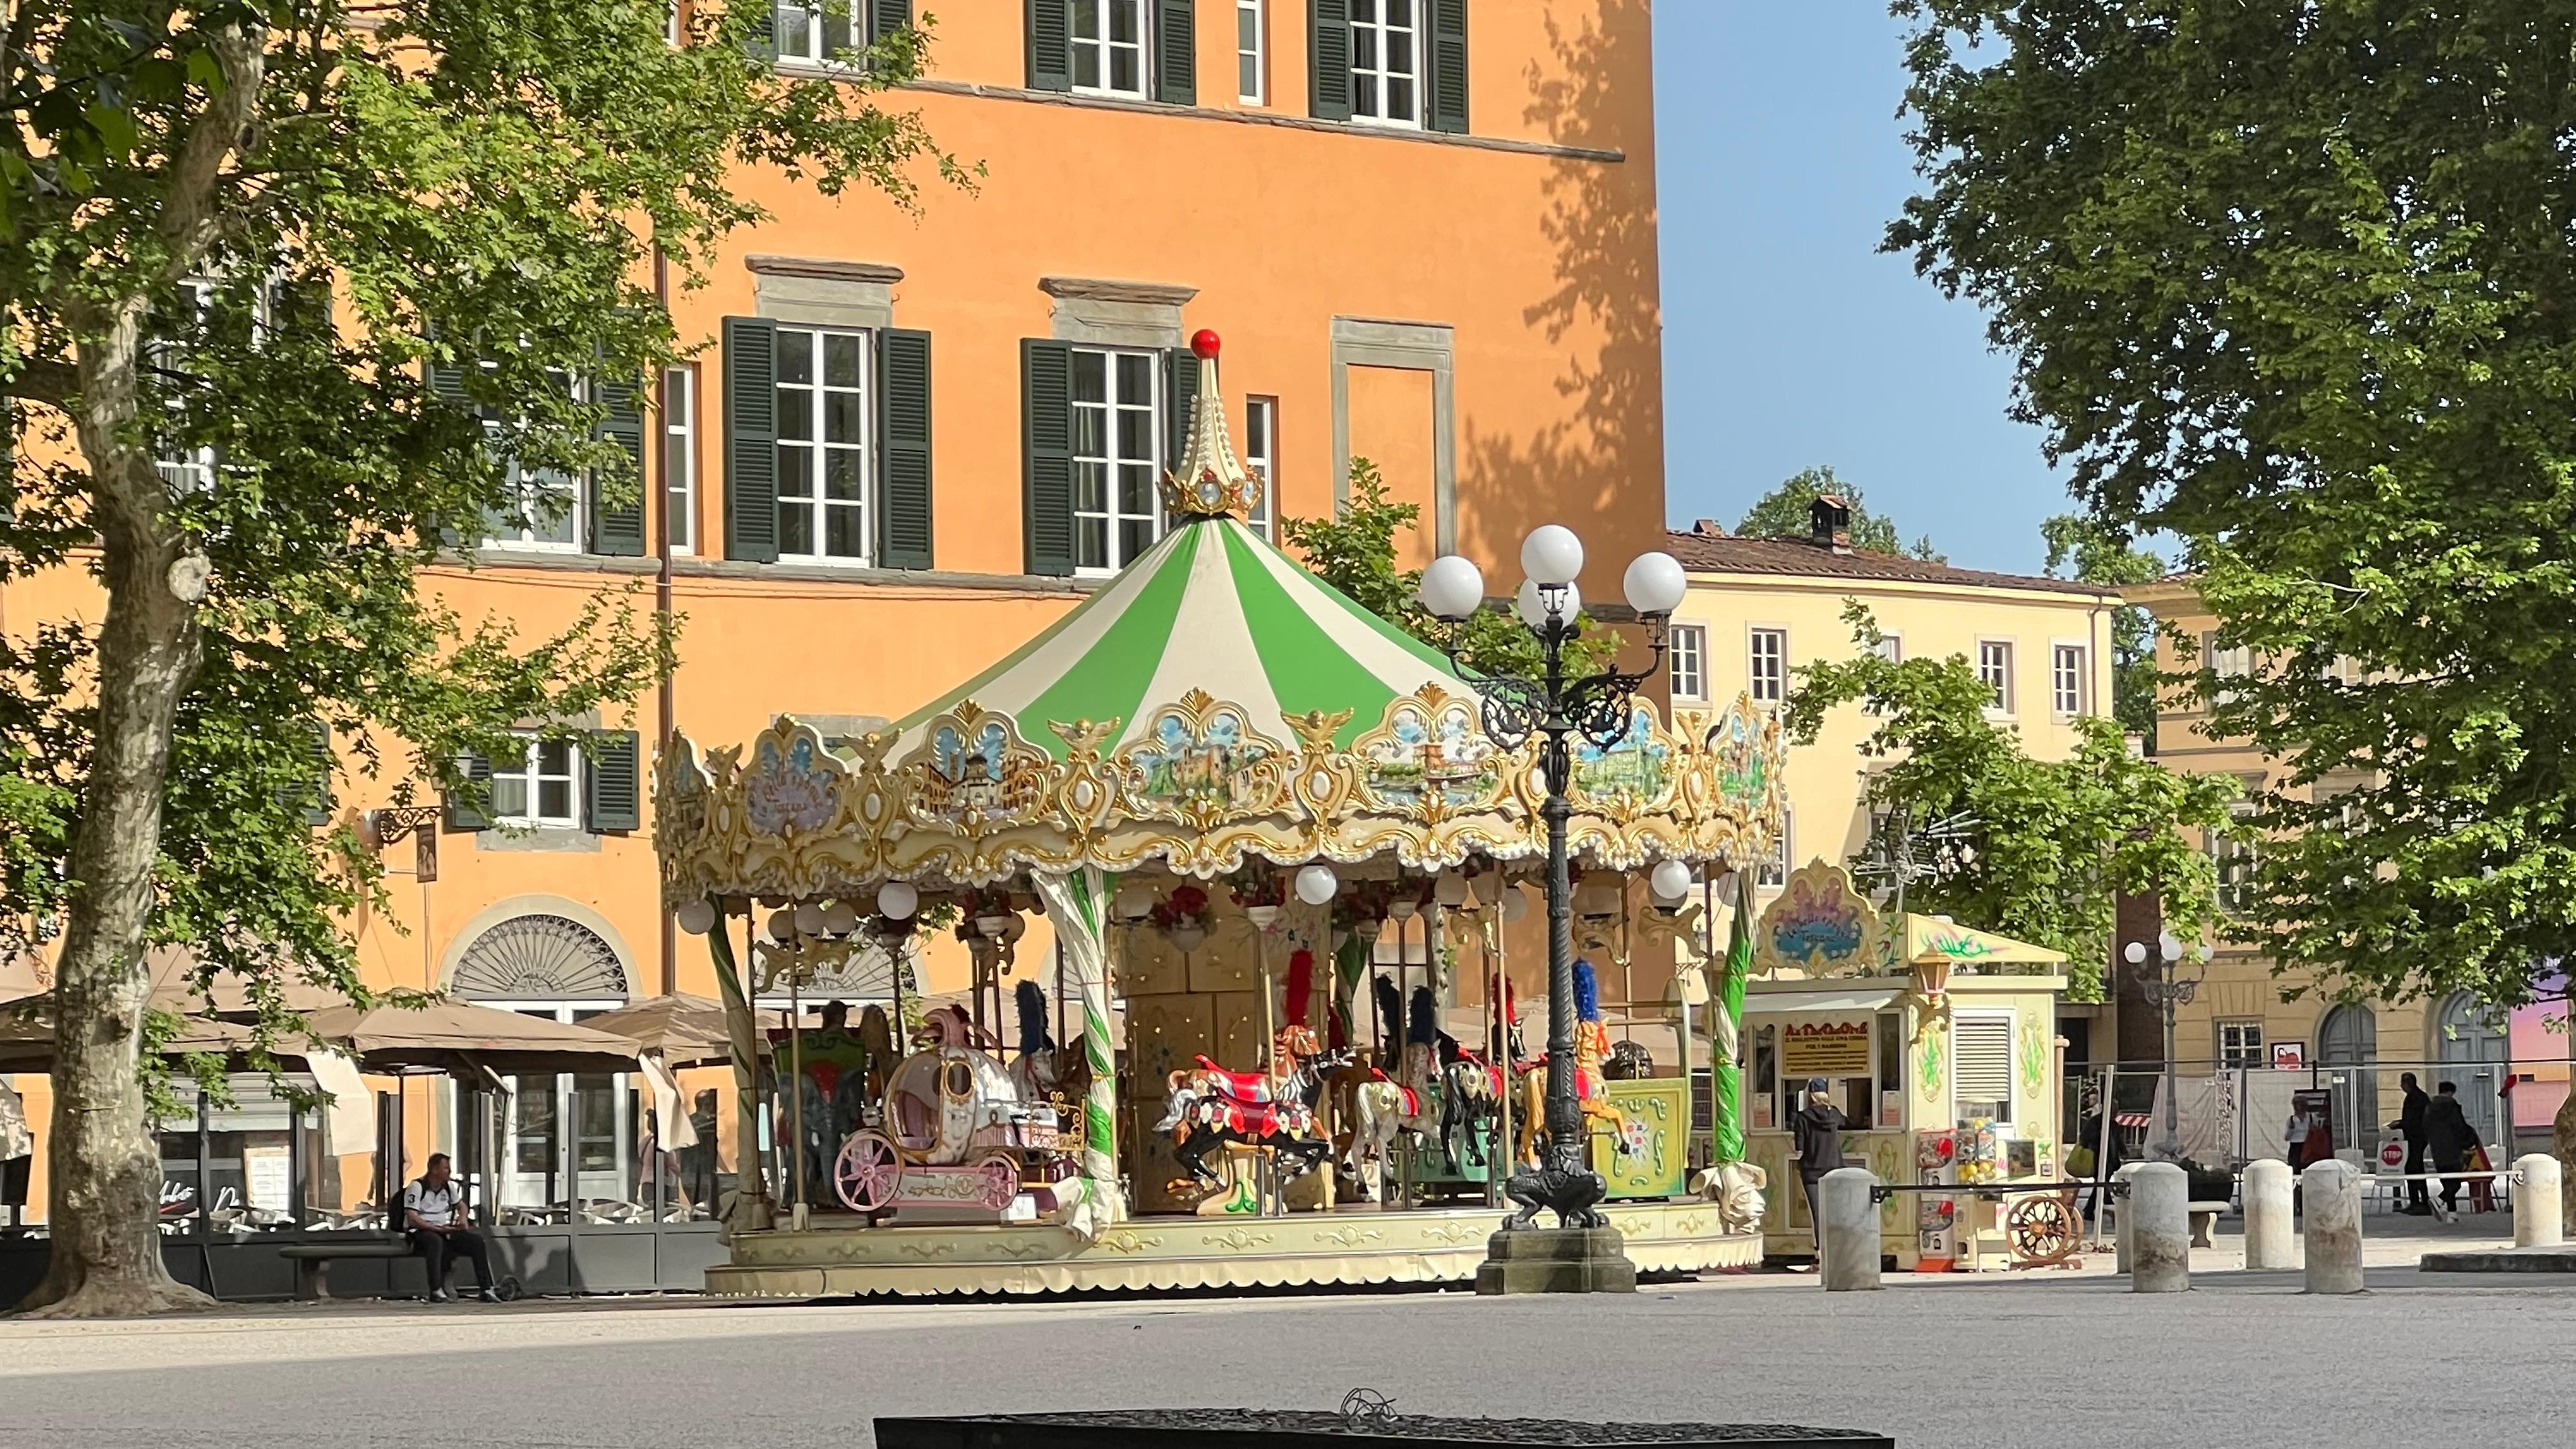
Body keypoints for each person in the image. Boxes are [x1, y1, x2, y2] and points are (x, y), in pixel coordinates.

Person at [403, 1153, 496, 1303]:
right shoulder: (417, 1187)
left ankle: (486, 1288)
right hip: (421, 1231)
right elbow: (412, 1218)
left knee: (476, 1241)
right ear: (434, 1170)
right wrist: (436, 1229)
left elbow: (462, 1206)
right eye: (445, 1168)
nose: (449, 1171)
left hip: (443, 1229)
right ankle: (436, 1290)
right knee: (435, 1241)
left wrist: (463, 1219)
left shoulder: (448, 1187)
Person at [1788, 1079, 1854, 1271]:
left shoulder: (1802, 1117)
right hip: (1835, 1168)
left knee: (1818, 1213)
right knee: (1836, 1211)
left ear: (1810, 1095)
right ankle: (1840, 1252)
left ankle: (1821, 1256)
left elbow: (1799, 1148)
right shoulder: (1834, 1114)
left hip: (1811, 1171)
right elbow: (1849, 1123)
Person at [2421, 1080, 2479, 1222]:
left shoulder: (2429, 1108)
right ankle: (2439, 1200)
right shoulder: (2452, 1107)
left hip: (2437, 1149)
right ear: (2451, 1092)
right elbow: (2459, 1127)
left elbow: (2425, 1127)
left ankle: (2452, 1214)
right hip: (2453, 1148)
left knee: (2447, 1181)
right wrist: (2469, 1140)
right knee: (2456, 1182)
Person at [2389, 1073, 2432, 1214]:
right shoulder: (2421, 1096)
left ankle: (2419, 1202)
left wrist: (2399, 1124)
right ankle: (2420, 1202)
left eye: (2403, 1083)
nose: (2401, 1086)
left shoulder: (2414, 1098)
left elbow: (2412, 1120)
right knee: (2416, 1168)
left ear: (2408, 1084)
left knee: (2413, 1169)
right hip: (2419, 1137)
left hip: (2416, 1138)